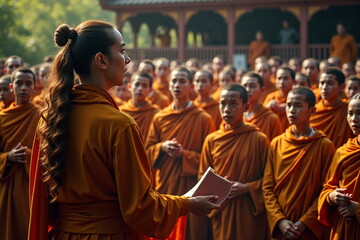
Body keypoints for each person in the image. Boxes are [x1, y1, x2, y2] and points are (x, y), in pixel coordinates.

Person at [28, 20, 219, 240]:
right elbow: (140, 208)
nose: (128, 60)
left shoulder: (50, 120)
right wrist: (187, 204)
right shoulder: (119, 124)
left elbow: (43, 204)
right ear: (101, 60)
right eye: (122, 50)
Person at [146, 66, 216, 240]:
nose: (177, 85)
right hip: (165, 185)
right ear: (169, 86)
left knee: (191, 233)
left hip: (192, 187)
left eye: (182, 81)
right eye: (174, 81)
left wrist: (184, 155)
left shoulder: (202, 118)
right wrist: (161, 147)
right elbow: (146, 152)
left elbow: (211, 160)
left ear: (191, 87)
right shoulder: (160, 117)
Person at [263, 87, 335, 240]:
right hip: (282, 226)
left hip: (308, 228)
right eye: (288, 105)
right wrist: (280, 220)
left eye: (298, 105)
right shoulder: (277, 143)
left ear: (312, 110)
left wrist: (304, 223)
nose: (291, 110)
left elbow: (326, 189)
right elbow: (268, 186)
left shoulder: (324, 146)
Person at [199, 83, 269, 240]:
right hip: (221, 210)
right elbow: (202, 178)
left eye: (233, 103)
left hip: (249, 210)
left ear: (245, 106)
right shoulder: (212, 140)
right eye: (223, 103)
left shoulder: (259, 139)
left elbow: (270, 180)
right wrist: (220, 189)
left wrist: (247, 188)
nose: (227, 109)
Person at [0, 67, 39, 240]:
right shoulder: (1, 118)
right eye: (19, 83)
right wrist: (7, 157)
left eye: (28, 84)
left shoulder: (42, 117)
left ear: (35, 88)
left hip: (30, 185)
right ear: (11, 87)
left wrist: (29, 155)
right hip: (5, 184)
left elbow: (50, 155)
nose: (23, 88)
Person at [318, 92, 360, 240]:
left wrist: (357, 209)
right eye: (350, 113)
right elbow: (328, 188)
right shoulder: (343, 151)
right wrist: (332, 197)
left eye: (359, 114)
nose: (354, 119)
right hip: (343, 228)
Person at [310, 67, 354, 148]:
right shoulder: (313, 110)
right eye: (322, 83)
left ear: (342, 87)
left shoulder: (349, 109)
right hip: (317, 157)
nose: (324, 87)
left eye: (330, 83)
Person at [120, 71, 160, 141]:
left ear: (150, 90)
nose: (140, 89)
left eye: (144, 86)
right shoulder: (121, 111)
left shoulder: (156, 113)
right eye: (137, 84)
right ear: (129, 86)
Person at [242, 72, 282, 140]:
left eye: (252, 86)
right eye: (244, 86)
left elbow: (276, 147)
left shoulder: (271, 118)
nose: (247, 90)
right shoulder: (236, 116)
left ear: (262, 90)